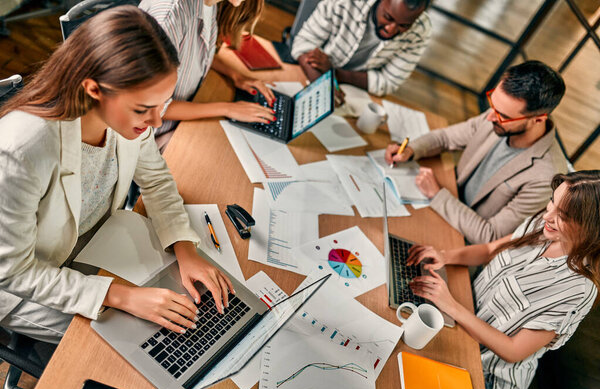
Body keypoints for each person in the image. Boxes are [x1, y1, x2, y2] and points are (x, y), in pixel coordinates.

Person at [0, 6, 233, 344]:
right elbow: (14, 271)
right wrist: (121, 296)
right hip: (24, 284)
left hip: (89, 245)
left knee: (172, 310)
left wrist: (185, 249)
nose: (155, 122)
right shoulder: (20, 149)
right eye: (143, 109)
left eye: (162, 105)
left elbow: (156, 180)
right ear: (94, 89)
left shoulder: (130, 117)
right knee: (139, 340)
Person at [406, 170, 600, 389]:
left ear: (591, 228)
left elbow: (513, 350)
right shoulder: (543, 224)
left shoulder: (579, 289)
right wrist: (445, 256)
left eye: (563, 216)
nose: (548, 215)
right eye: (552, 202)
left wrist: (451, 305)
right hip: (460, 321)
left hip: (483, 376)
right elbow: (490, 250)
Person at [385, 60, 568, 244]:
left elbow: (490, 236)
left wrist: (437, 194)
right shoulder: (499, 114)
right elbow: (446, 138)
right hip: (446, 201)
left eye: (503, 116)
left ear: (538, 120)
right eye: (493, 104)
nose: (489, 117)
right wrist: (411, 149)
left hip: (461, 239)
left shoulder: (545, 179)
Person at [139, 0, 276, 150]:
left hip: (179, 123)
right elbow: (149, 108)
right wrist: (228, 109)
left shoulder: (209, 4)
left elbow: (191, 52)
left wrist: (235, 75)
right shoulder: (169, 16)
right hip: (152, 137)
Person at [291, 0, 432, 97]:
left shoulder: (420, 30)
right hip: (307, 73)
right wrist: (323, 89)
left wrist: (334, 73)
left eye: (404, 26)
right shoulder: (345, 3)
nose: (391, 29)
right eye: (388, 17)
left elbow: (389, 82)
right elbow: (303, 44)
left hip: (353, 92)